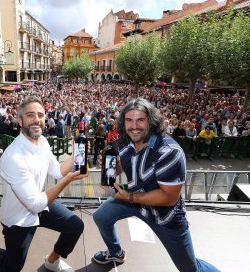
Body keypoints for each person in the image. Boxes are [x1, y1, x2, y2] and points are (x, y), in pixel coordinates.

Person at [92, 98, 219, 272]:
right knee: (101, 216)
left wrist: (129, 197)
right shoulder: (125, 141)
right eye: (129, 120)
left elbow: (168, 198)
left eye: (140, 120)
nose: (134, 126)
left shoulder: (168, 151)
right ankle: (116, 252)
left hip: (164, 215)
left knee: (189, 268)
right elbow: (124, 166)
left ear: (151, 121)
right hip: (135, 198)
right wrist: (111, 168)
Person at [0, 96, 87, 272]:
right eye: (30, 115)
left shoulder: (43, 142)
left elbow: (57, 170)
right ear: (20, 120)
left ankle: (52, 261)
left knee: (75, 226)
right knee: (12, 267)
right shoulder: (13, 157)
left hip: (40, 203)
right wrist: (67, 180)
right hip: (18, 218)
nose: (37, 119)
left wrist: (77, 153)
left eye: (40, 114)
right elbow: (35, 204)